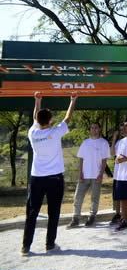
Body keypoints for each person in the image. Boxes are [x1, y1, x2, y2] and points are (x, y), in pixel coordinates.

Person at [21, 93, 78, 256]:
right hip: (54, 178)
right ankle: (49, 244)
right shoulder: (56, 132)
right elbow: (68, 117)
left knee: (32, 212)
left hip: (37, 178)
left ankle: (26, 246)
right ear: (51, 119)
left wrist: (37, 101)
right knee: (54, 212)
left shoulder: (33, 133)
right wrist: (73, 101)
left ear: (38, 121)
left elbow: (34, 118)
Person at [67, 121, 110, 228]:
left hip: (96, 175)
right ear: (90, 130)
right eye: (92, 128)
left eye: (96, 128)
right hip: (84, 175)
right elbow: (81, 158)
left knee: (94, 198)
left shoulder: (103, 143)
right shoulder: (85, 142)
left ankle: (92, 217)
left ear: (100, 129)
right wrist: (80, 172)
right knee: (78, 197)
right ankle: (75, 218)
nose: (94, 130)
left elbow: (104, 160)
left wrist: (101, 174)